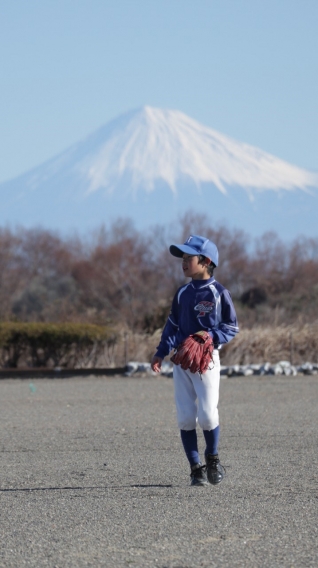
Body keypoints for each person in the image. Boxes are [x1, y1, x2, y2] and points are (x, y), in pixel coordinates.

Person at [151, 234, 239, 487]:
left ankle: (212, 458)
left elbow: (231, 328)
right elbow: (172, 325)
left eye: (189, 257)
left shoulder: (219, 293)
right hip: (181, 359)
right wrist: (160, 352)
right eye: (183, 257)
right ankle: (195, 468)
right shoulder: (182, 293)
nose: (184, 261)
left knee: (208, 416)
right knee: (186, 417)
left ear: (206, 261)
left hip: (206, 360)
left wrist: (210, 335)